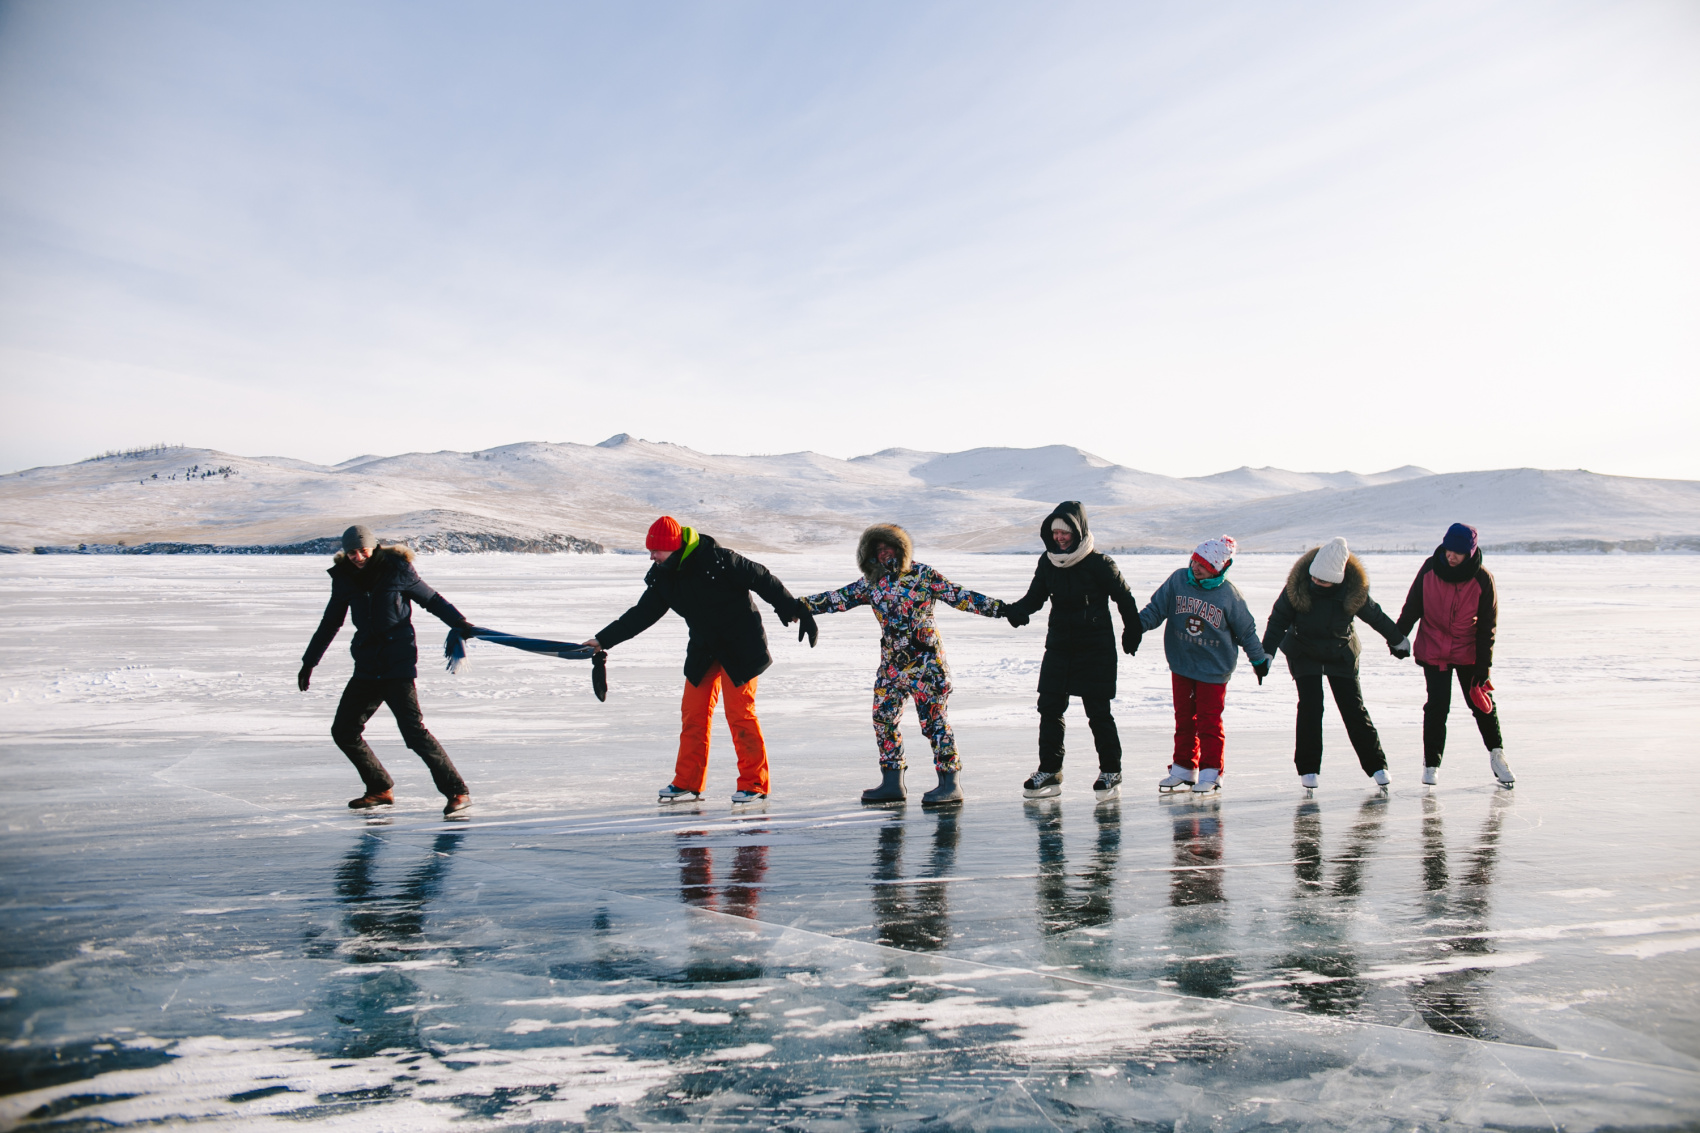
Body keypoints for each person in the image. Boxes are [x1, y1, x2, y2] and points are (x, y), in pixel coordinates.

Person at [581, 516, 815, 806]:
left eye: (656, 550)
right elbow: (641, 614)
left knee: (740, 714)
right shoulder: (663, 576)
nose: (652, 556)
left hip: (741, 646)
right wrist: (603, 640)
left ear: (673, 546)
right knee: (693, 714)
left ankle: (755, 783)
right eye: (650, 551)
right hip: (704, 648)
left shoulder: (718, 560)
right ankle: (687, 781)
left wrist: (791, 607)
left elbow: (760, 577)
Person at [798, 524, 1007, 807]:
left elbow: (961, 597)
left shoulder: (923, 575)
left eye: (890, 548)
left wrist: (1003, 609)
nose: (885, 554)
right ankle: (892, 782)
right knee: (883, 719)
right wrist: (797, 605)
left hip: (926, 665)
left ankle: (950, 783)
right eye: (879, 550)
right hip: (891, 669)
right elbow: (838, 598)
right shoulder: (871, 582)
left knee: (934, 723)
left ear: (901, 549)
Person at [299, 525, 478, 817]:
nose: (357, 557)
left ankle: (458, 792)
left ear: (374, 547)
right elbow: (331, 622)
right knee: (344, 731)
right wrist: (310, 662)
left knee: (414, 733)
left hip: (397, 664)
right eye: (352, 552)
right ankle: (380, 788)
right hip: (367, 666)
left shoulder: (398, 570)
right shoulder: (345, 577)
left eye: (363, 550)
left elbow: (432, 600)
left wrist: (459, 622)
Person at [1002, 502, 1142, 802]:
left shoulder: (1099, 564)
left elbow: (1125, 598)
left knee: (1098, 712)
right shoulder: (1048, 561)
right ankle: (1050, 770)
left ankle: (1111, 771)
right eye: (1054, 532)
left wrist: (1132, 631)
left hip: (1096, 647)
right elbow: (1035, 597)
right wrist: (1018, 611)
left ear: (1078, 532)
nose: (1059, 538)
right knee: (1049, 708)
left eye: (1065, 533)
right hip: (1060, 646)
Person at [1260, 537, 1410, 793]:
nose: (1317, 583)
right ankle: (1308, 769)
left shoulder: (1353, 591)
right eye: (1315, 578)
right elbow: (1278, 621)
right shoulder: (1297, 587)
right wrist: (1265, 654)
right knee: (1310, 705)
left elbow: (1376, 617)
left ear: (1338, 579)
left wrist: (1398, 641)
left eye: (1324, 580)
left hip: (1340, 651)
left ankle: (1377, 766)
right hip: (1303, 650)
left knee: (1353, 708)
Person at [1138, 536, 1270, 794]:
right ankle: (1184, 768)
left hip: (1213, 669)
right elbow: (1155, 609)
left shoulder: (1229, 595)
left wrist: (1258, 659)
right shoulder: (1178, 580)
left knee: (1209, 721)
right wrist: (1135, 629)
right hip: (1182, 663)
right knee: (1184, 718)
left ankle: (1211, 772)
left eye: (1203, 564)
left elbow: (1247, 632)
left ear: (1218, 568)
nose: (1195, 567)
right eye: (1194, 560)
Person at [1394, 523, 1512, 787]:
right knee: (1437, 706)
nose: (1451, 556)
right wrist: (1399, 636)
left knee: (1482, 705)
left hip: (1468, 650)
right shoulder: (1429, 568)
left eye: (1458, 552)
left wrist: (1484, 667)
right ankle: (1431, 765)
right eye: (1449, 549)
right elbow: (1413, 605)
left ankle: (1497, 755)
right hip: (1433, 647)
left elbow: (1486, 627)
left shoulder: (1482, 579)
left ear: (1469, 552)